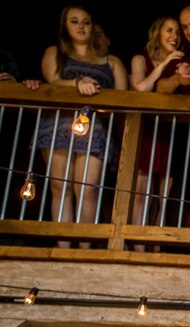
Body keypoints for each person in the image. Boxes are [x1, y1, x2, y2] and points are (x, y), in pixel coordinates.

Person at [37, 5, 128, 228]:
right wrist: (78, 83)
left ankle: (84, 244)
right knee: (60, 187)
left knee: (87, 189)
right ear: (65, 26)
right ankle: (63, 247)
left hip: (95, 128)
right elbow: (53, 82)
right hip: (59, 124)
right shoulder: (55, 52)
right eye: (74, 21)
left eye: (86, 22)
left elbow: (123, 98)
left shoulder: (111, 61)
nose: (81, 26)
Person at [129, 17, 185, 228]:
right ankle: (138, 248)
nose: (175, 36)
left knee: (165, 198)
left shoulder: (181, 61)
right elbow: (141, 87)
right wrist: (163, 64)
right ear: (157, 33)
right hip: (146, 128)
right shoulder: (140, 59)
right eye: (169, 30)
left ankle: (156, 249)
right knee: (140, 194)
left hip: (171, 130)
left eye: (178, 32)